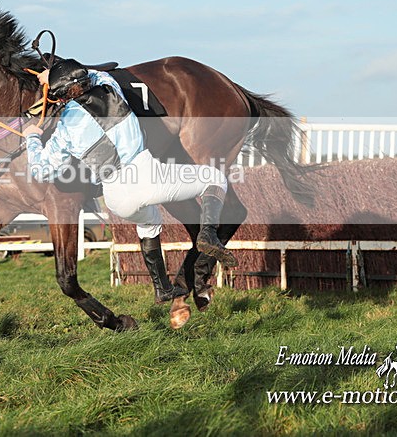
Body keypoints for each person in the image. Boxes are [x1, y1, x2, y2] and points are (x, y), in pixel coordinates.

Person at [22, 58, 237, 304]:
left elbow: (41, 171)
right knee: (215, 178)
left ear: (59, 98)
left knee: (150, 222)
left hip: (115, 198)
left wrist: (32, 138)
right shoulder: (109, 87)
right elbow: (94, 74)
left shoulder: (64, 131)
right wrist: (52, 74)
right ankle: (208, 233)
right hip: (146, 176)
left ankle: (162, 288)